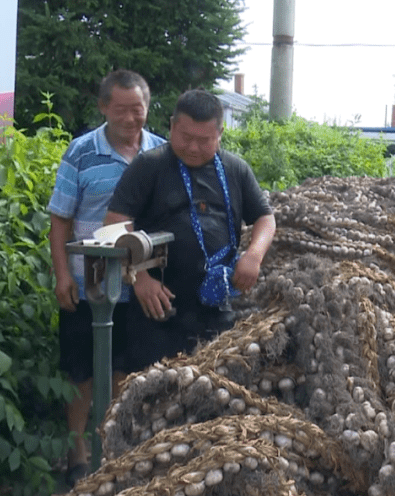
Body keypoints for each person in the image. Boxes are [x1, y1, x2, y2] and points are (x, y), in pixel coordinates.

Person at [48, 69, 166, 484]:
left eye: (139, 110)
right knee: (81, 370)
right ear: (103, 108)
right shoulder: (82, 153)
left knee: (126, 368)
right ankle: (77, 451)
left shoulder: (162, 153)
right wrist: (62, 275)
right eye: (122, 111)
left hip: (144, 286)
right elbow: (60, 219)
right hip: (87, 284)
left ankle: (114, 446)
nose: (133, 119)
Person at [103, 89, 276, 371]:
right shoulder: (149, 166)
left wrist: (254, 256)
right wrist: (139, 277)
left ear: (220, 133)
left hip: (216, 307)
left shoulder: (236, 169)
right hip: (158, 308)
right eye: (186, 138)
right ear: (172, 126)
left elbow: (265, 219)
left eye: (204, 140)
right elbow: (114, 222)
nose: (194, 148)